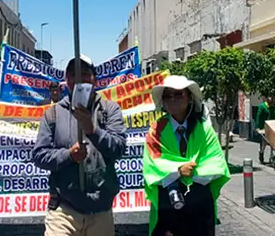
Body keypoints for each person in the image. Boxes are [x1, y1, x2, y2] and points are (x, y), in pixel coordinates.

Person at [32, 56, 127, 236]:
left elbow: (119, 149)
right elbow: (39, 156)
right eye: (73, 74)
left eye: (84, 74)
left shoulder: (110, 110)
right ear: (66, 80)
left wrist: (93, 131)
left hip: (100, 210)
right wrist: (68, 155)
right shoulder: (53, 113)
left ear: (94, 79)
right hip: (63, 209)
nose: (79, 80)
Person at [143, 75, 230, 236]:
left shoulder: (204, 128)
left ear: (189, 98)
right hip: (168, 207)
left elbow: (217, 164)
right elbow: (152, 166)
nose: (173, 99)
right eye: (167, 96)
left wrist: (191, 173)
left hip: (199, 206)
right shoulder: (156, 130)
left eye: (178, 94)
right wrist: (178, 170)